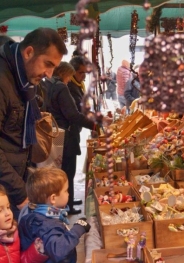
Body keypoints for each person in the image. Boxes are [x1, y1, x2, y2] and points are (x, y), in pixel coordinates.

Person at [0, 27, 67, 220]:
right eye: (47, 64)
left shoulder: (24, 82)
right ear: (28, 52)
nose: (49, 73)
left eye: (54, 67)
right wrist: (19, 193)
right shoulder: (3, 80)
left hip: (15, 179)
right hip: (5, 193)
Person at [41, 61, 95, 215]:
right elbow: (73, 114)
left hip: (53, 134)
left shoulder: (47, 84)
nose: (70, 80)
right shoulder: (61, 87)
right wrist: (94, 125)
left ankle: (66, 200)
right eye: (70, 76)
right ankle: (67, 205)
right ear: (65, 74)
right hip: (65, 135)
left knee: (59, 171)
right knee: (68, 171)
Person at [18, 167, 91, 263]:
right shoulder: (45, 223)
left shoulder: (36, 212)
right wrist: (77, 229)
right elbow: (58, 250)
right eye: (66, 191)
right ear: (53, 198)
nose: (68, 194)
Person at [0, 184, 48, 262]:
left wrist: (36, 250)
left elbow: (21, 260)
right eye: (0, 210)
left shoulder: (14, 233)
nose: (7, 213)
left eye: (8, 207)